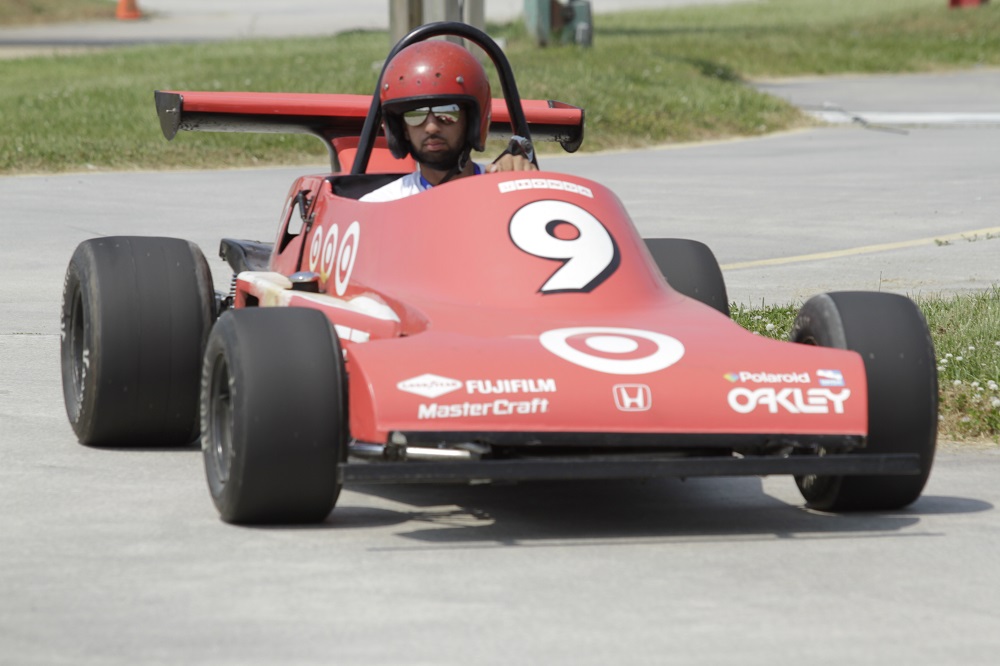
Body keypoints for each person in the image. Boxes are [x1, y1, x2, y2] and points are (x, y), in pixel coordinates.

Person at [360, 39, 537, 203]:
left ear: (471, 123)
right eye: (415, 116)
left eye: (447, 113)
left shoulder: (506, 188)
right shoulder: (379, 206)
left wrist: (528, 186)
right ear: (403, 129)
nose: (431, 127)